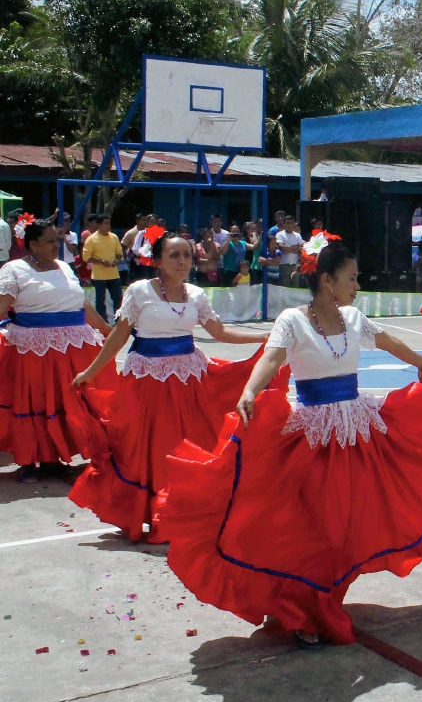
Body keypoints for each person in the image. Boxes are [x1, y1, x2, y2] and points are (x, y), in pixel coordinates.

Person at [155, 242, 422, 647]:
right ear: (327, 280)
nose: (357, 284)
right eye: (351, 277)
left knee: (350, 527)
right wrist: (250, 390)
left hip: (358, 436)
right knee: (317, 530)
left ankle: (322, 600)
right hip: (313, 440)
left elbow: (389, 342)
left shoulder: (354, 318)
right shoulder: (292, 321)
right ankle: (306, 609)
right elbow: (271, 359)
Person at [69, 232, 270, 542]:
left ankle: (183, 514)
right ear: (158, 260)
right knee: (149, 448)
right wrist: (91, 370)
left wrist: (264, 338)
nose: (182, 262)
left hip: (189, 382)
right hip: (147, 383)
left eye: (187, 256)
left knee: (189, 445)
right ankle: (152, 514)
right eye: (174, 256)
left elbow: (219, 332)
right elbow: (120, 336)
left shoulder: (196, 294)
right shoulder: (139, 291)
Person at [0, 218, 117, 482]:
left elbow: (81, 305)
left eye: (58, 239)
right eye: (50, 241)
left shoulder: (65, 267)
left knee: (70, 403)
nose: (57, 245)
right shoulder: (14, 269)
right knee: (37, 403)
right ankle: (30, 461)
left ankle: (57, 459)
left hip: (74, 347)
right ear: (32, 245)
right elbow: (1, 308)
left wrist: (108, 331)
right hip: (34, 350)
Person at [82, 216, 123, 322]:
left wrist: (117, 260)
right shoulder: (92, 239)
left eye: (109, 223)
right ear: (99, 225)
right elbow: (86, 257)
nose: (108, 226)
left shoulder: (114, 237)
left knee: (118, 299)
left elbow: (119, 253)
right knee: (100, 300)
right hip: (99, 276)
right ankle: (103, 322)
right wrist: (101, 262)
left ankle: (119, 321)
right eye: (105, 223)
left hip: (113, 275)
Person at [275, 215, 303, 286]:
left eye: (291, 223)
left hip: (295, 265)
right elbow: (282, 248)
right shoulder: (280, 235)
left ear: (294, 224)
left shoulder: (298, 235)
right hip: (284, 265)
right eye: (288, 223)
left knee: (295, 287)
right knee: (285, 287)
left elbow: (301, 248)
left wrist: (289, 249)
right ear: (284, 224)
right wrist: (295, 248)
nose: (290, 225)